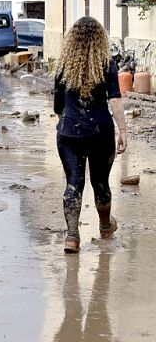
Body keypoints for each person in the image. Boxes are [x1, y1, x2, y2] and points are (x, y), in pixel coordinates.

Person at [53, 16, 126, 253]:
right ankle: (105, 227)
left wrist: (69, 122)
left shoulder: (64, 65)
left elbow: (57, 106)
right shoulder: (107, 64)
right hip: (100, 134)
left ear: (72, 40)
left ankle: (72, 237)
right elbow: (114, 99)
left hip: (69, 133)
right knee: (101, 182)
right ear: (100, 39)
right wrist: (123, 130)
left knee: (74, 182)